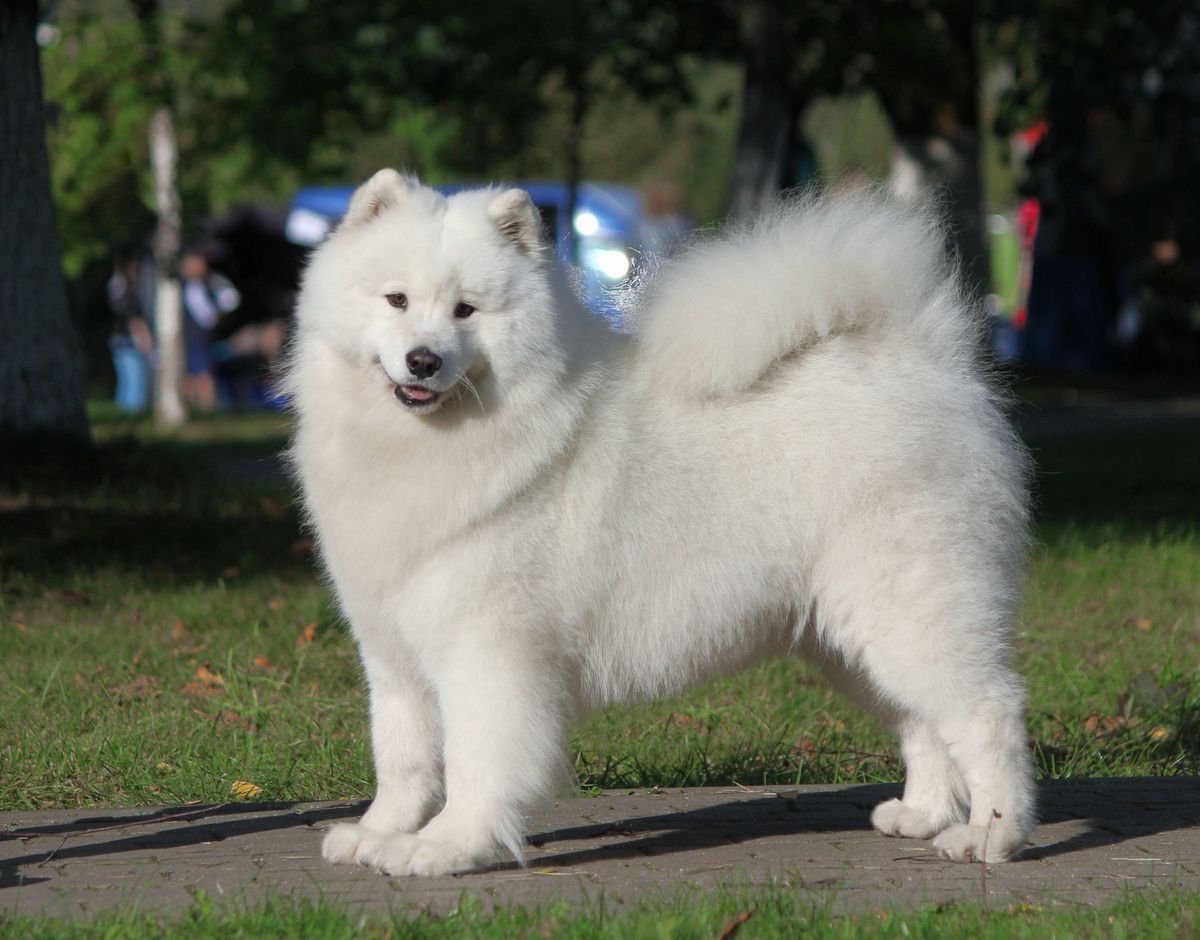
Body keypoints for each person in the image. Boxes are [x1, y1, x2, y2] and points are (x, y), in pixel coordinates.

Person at [180, 248, 240, 411]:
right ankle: (191, 409)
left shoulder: (211, 282)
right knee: (188, 377)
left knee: (204, 375)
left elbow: (230, 300)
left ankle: (208, 409)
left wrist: (218, 317)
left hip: (201, 338)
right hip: (185, 338)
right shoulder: (178, 286)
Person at [106, 246, 154, 412]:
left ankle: (124, 417)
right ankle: (130, 419)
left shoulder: (117, 284)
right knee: (135, 383)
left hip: (121, 339)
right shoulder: (125, 286)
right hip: (128, 339)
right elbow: (130, 315)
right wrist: (143, 338)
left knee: (128, 381)